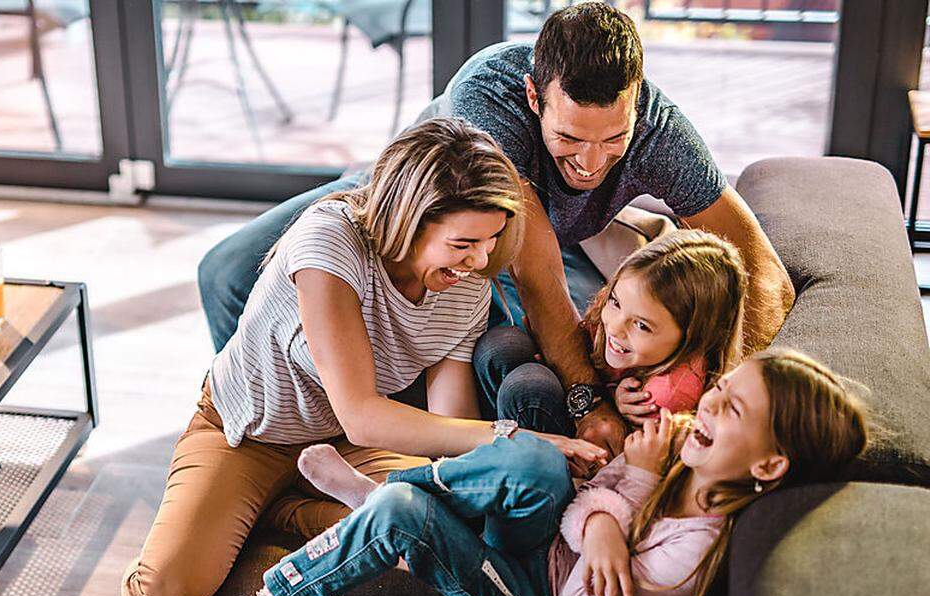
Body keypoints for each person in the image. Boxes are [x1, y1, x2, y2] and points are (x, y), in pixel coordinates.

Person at [196, 4, 794, 456]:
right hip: (408, 201)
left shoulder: (662, 133)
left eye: (613, 140)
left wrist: (717, 387)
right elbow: (536, 278)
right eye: (569, 140)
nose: (590, 163)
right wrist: (588, 406)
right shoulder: (490, 98)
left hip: (529, 243)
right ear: (536, 98)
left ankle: (365, 435)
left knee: (604, 333)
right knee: (224, 273)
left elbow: (764, 270)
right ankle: (272, 443)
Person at [121, 118, 607, 596]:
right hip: (253, 433)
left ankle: (290, 506)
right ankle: (276, 504)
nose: (482, 259)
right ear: (409, 220)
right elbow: (361, 414)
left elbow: (450, 422)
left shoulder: (464, 280)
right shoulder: (330, 243)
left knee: (448, 531)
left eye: (492, 240)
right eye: (464, 243)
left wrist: (503, 468)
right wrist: (516, 438)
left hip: (349, 447)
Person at [204, 350, 869, 596]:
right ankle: (387, 501)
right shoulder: (677, 459)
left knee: (404, 511)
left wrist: (625, 490)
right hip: (547, 552)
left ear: (769, 465)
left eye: (734, 412)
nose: (711, 407)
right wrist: (607, 504)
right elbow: (585, 510)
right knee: (535, 462)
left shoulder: (695, 551)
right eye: (720, 390)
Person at [483, 229, 748, 435]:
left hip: (590, 462)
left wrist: (617, 410)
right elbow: (588, 341)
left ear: (695, 337)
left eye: (642, 325)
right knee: (502, 344)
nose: (616, 327)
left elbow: (627, 462)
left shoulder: (667, 395)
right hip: (587, 402)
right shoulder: (621, 332)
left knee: (528, 387)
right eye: (616, 302)